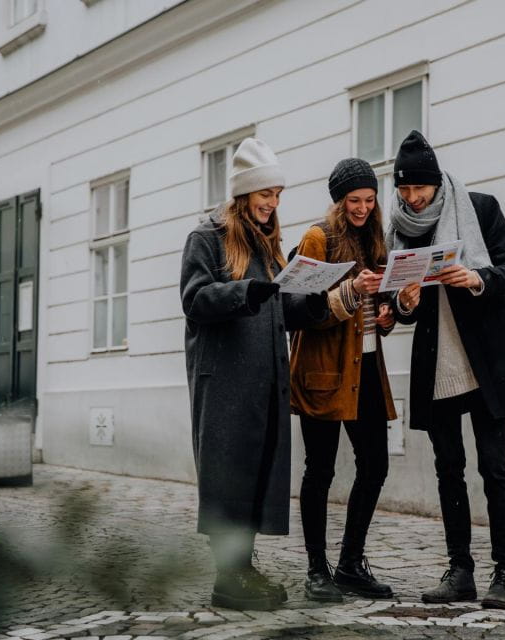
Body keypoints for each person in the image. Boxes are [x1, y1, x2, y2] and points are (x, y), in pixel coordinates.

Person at [180, 138, 328, 611]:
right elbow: (196, 299)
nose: (273, 203)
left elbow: (281, 305)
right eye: (266, 193)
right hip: (224, 383)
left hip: (264, 382)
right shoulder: (207, 237)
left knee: (256, 472)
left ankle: (242, 568)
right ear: (244, 194)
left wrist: (320, 296)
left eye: (278, 194)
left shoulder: (268, 244)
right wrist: (246, 290)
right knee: (229, 474)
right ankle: (229, 578)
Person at [388, 130, 505, 609]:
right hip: (438, 368)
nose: (412, 198)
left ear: (436, 183)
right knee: (449, 470)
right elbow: (400, 307)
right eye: (404, 191)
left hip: (486, 363)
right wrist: (405, 302)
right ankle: (461, 571)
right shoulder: (404, 230)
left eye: (419, 190)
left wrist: (476, 278)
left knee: (495, 468)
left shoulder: (481, 208)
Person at [290, 158, 402, 602]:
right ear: (339, 201)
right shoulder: (318, 238)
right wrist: (352, 292)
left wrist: (395, 310)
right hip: (324, 372)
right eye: (354, 200)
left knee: (375, 465)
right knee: (320, 470)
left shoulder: (376, 237)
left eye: (369, 200)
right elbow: (298, 311)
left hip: (368, 370)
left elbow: (379, 312)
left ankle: (351, 564)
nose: (361, 208)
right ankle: (317, 570)